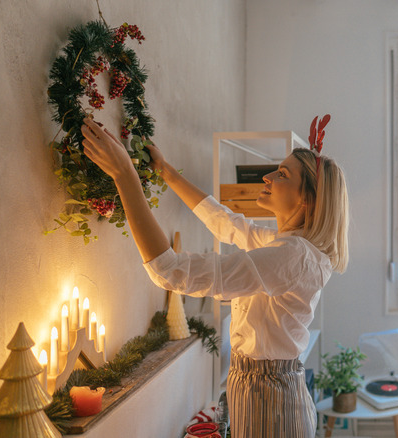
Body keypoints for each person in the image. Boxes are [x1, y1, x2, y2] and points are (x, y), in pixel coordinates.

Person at [80, 115, 349, 438]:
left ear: (307, 199)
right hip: (265, 391)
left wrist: (125, 176)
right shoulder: (288, 248)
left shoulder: (292, 257)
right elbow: (226, 222)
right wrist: (166, 172)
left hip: (272, 403)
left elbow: (172, 271)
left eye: (282, 174)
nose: (267, 176)